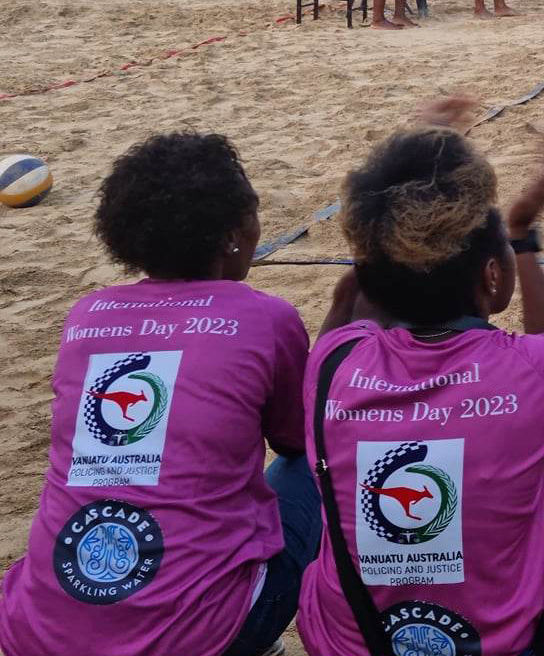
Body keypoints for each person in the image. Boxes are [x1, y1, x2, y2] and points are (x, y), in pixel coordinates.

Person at [298, 111, 544, 656]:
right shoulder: (535, 369)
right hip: (504, 643)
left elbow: (361, 294)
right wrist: (523, 236)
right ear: (493, 276)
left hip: (351, 643)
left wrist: (392, 198)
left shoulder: (332, 361)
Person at [0, 133, 316, 656]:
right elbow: (298, 439)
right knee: (316, 464)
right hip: (199, 635)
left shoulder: (86, 316)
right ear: (235, 235)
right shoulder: (265, 315)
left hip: (36, 631)